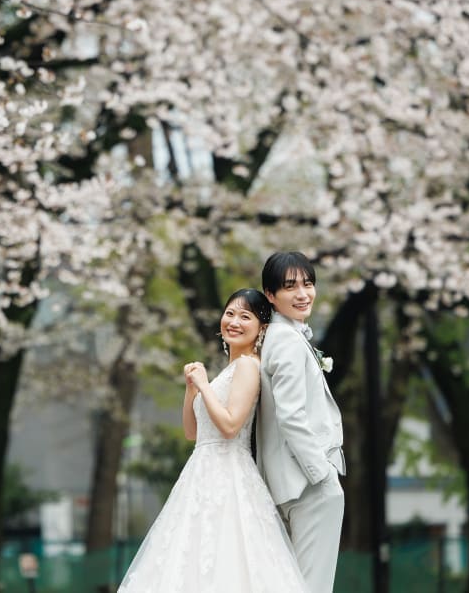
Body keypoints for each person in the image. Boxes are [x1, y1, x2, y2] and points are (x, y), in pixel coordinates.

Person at [117, 289, 308, 593]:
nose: (234, 321)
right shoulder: (228, 371)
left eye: (245, 316)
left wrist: (204, 386)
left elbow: (231, 426)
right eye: (230, 313)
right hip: (200, 472)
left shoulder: (248, 366)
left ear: (262, 328)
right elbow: (193, 433)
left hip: (229, 471)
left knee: (227, 554)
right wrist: (191, 389)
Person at [255, 251, 346, 593]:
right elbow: (291, 416)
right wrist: (320, 474)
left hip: (290, 483)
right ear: (270, 294)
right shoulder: (286, 340)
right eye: (290, 286)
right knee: (312, 585)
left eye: (308, 284)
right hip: (309, 485)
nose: (303, 293)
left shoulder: (277, 337)